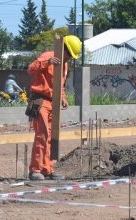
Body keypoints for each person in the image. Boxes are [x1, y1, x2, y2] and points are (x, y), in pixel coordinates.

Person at [26, 35, 82, 181]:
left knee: (52, 136)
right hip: (38, 99)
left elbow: (60, 84)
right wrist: (47, 62)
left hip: (53, 102)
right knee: (42, 134)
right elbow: (31, 70)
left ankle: (47, 169)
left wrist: (63, 97)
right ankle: (35, 170)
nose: (69, 58)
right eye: (69, 54)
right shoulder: (48, 56)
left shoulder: (64, 64)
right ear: (63, 48)